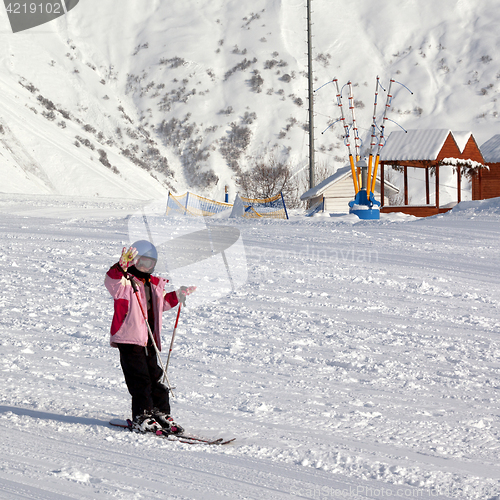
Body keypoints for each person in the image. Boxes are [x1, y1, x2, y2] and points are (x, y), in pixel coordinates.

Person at [104, 240, 195, 434]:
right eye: (142, 262)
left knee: (155, 376)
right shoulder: (124, 282)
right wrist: (120, 267)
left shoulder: (153, 284)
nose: (146, 267)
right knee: (140, 379)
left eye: (150, 263)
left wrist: (177, 295)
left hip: (149, 339)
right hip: (129, 338)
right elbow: (110, 280)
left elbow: (160, 305)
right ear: (134, 261)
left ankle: (160, 413)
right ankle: (142, 416)